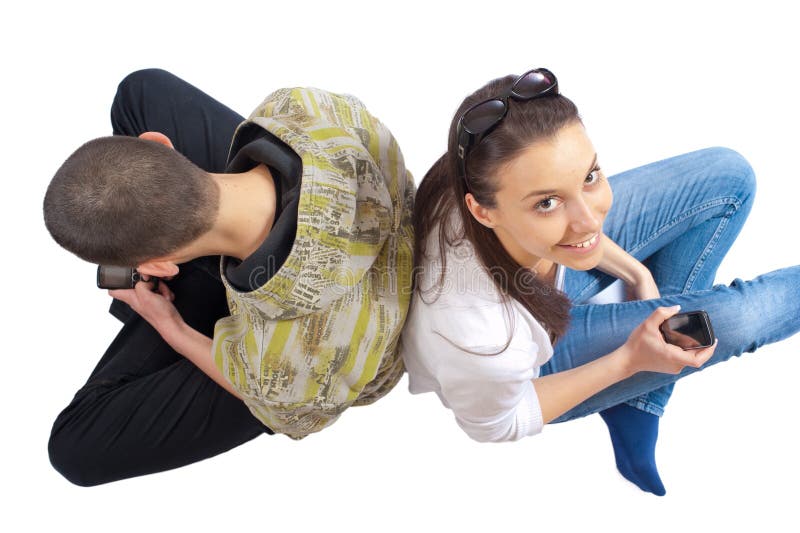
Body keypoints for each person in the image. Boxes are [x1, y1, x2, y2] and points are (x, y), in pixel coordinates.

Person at [400, 67, 800, 496]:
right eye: (547, 202)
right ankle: (637, 391)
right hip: (536, 359)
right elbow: (499, 422)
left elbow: (579, 228)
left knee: (727, 175)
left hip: (542, 271)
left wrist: (637, 273)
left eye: (589, 176)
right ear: (482, 211)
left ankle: (639, 400)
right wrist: (628, 362)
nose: (591, 218)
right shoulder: (481, 336)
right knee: (736, 318)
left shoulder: (474, 165)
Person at [43, 69, 415, 486]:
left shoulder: (283, 372)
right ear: (159, 142)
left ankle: (182, 283)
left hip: (318, 344)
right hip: (347, 205)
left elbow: (284, 411)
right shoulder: (298, 107)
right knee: (142, 91)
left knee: (74, 449)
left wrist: (171, 326)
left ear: (160, 266)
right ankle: (185, 255)